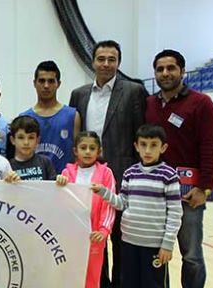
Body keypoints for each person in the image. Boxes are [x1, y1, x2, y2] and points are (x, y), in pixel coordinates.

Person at [70, 40, 148, 287]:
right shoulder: (79, 94)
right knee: (94, 241)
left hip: (123, 179)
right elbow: (77, 134)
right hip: (89, 183)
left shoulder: (134, 91)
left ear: (118, 63)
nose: (105, 64)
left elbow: (140, 135)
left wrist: (137, 178)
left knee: (120, 241)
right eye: (101, 58)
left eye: (111, 59)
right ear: (92, 61)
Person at [146, 49, 213, 288]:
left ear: (182, 71)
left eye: (171, 68)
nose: (165, 73)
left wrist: (204, 188)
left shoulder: (201, 103)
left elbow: (210, 147)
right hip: (155, 194)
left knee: (192, 256)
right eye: (160, 69)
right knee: (157, 253)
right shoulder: (149, 104)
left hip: (188, 195)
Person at [88, 124, 183, 288]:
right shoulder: (130, 173)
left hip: (154, 245)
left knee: (152, 283)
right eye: (143, 145)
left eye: (153, 145)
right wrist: (104, 192)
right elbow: (122, 203)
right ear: (136, 146)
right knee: (129, 282)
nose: (147, 150)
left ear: (163, 147)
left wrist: (167, 244)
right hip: (129, 242)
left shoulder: (169, 175)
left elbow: (175, 213)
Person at [56, 131, 116, 288]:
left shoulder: (106, 173)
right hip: (72, 236)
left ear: (99, 151)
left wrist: (104, 230)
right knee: (70, 274)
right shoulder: (66, 174)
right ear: (76, 151)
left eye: (92, 148)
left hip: (94, 235)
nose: (88, 151)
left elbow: (108, 204)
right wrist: (59, 185)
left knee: (92, 277)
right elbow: (60, 204)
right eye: (83, 147)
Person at [20, 60, 81, 173]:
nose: (46, 86)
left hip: (65, 183)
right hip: (34, 183)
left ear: (58, 83)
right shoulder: (24, 118)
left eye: (51, 81)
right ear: (34, 83)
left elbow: (79, 155)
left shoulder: (72, 116)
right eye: (42, 81)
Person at [8, 115, 56, 181]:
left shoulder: (45, 162)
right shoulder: (7, 166)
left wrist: (60, 181)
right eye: (21, 137)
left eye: (31, 137)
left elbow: (54, 188)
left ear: (37, 140)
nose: (26, 142)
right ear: (12, 140)